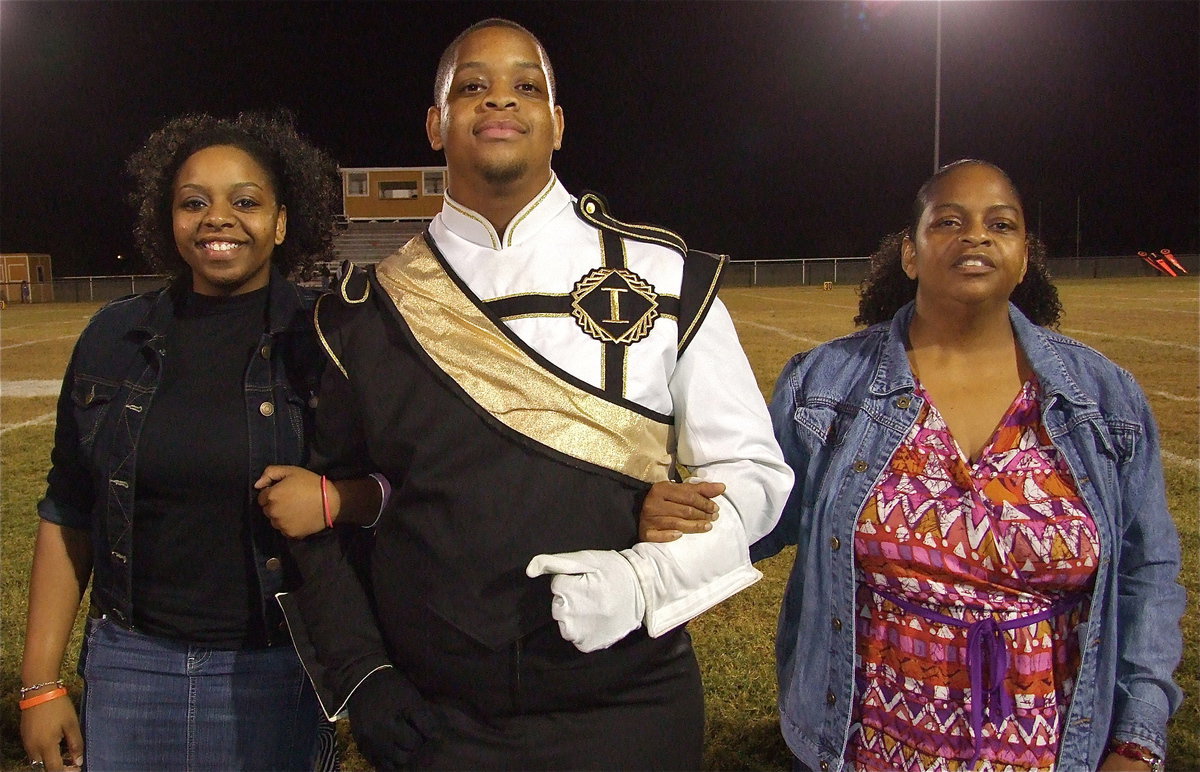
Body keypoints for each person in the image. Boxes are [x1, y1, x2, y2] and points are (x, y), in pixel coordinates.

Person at [271, 17, 792, 769]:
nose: (498, 101)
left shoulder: (667, 276)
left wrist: (645, 579)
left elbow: (757, 480)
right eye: (472, 87)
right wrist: (366, 677)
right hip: (438, 717)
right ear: (435, 124)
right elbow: (326, 509)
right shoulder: (359, 310)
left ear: (557, 124)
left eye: (526, 86)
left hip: (629, 705)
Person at [749, 160, 1184, 771]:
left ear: (1024, 255)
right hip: (863, 746)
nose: (975, 236)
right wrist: (660, 509)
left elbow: (1148, 573)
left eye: (999, 224)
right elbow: (754, 519)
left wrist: (1136, 740)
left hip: (1055, 749)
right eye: (948, 220)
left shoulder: (1101, 397)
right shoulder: (826, 385)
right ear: (910, 253)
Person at [19, 112, 348, 771]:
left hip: (279, 667)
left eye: (245, 201)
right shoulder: (113, 339)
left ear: (282, 222)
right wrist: (40, 683)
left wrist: (338, 497)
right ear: (168, 221)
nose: (217, 218)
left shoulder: (328, 340)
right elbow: (68, 509)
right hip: (130, 666)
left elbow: (394, 486)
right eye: (193, 202)